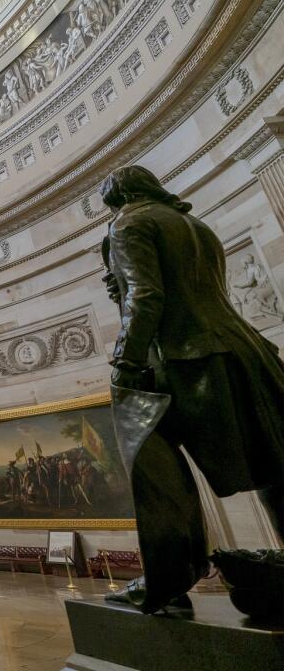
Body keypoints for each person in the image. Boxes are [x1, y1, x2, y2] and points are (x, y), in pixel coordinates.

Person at [100, 166, 284, 613]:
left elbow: (146, 295)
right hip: (247, 350)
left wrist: (126, 360)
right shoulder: (196, 226)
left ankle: (167, 584)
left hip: (184, 357)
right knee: (273, 463)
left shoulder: (129, 223)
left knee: (153, 466)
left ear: (119, 196)